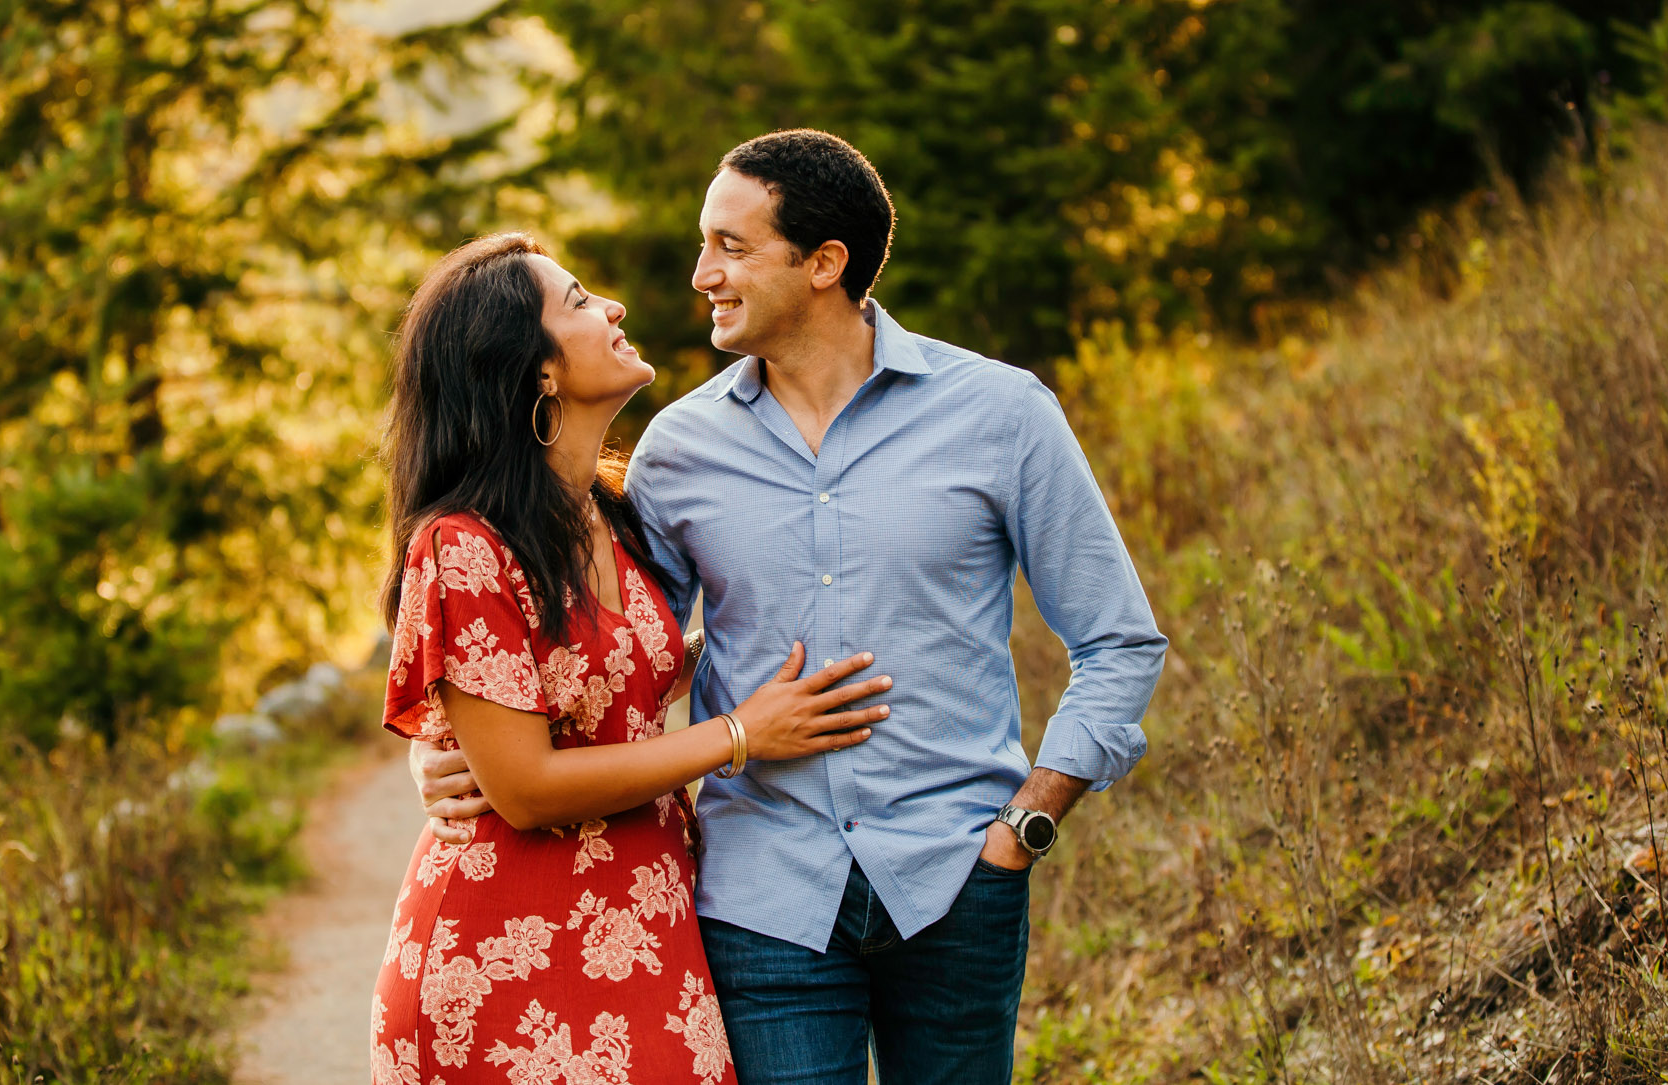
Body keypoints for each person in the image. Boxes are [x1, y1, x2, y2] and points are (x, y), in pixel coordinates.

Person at [416, 129, 1167, 1084]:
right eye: (702, 244)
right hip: (763, 899)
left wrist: (1027, 824)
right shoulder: (679, 449)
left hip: (958, 880)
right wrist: (449, 743)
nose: (701, 275)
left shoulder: (1002, 414)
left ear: (824, 263)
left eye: (731, 247)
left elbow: (1117, 638)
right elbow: (612, 654)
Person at [372, 232, 894, 1085]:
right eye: (578, 301)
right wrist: (739, 734)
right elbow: (525, 786)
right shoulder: (461, 545)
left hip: (646, 931)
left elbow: (625, 670)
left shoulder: (607, 512)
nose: (612, 307)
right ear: (537, 371)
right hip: (506, 955)